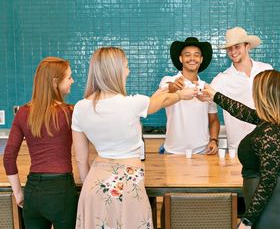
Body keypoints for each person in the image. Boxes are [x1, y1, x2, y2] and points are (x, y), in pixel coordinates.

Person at [72, 47, 197, 229]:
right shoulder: (132, 104)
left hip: (93, 186)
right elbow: (159, 102)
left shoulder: (80, 108)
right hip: (129, 185)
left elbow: (80, 159)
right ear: (116, 71)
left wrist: (89, 188)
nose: (128, 71)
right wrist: (180, 95)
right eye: (126, 66)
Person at [204, 70, 280, 229]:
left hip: (273, 208)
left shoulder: (270, 132)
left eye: (256, 90)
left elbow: (268, 181)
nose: (253, 94)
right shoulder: (278, 122)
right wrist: (214, 95)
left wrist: (247, 221)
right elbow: (242, 111)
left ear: (264, 95)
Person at [3, 57, 77, 229]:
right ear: (55, 82)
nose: (72, 81)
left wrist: (19, 193)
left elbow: (8, 157)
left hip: (33, 191)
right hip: (62, 191)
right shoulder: (70, 112)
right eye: (69, 77)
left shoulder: (23, 112)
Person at [210, 27, 273, 150]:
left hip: (267, 144)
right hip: (239, 148)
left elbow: (277, 103)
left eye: (237, 46)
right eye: (229, 48)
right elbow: (205, 97)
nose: (233, 51)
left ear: (247, 46)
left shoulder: (266, 70)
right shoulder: (222, 79)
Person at [159, 37, 220, 154]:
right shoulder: (169, 81)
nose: (192, 58)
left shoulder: (207, 88)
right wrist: (174, 87)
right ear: (181, 59)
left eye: (196, 55)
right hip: (173, 152)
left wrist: (214, 140)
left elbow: (213, 120)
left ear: (201, 59)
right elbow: (166, 90)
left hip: (202, 152)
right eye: (187, 55)